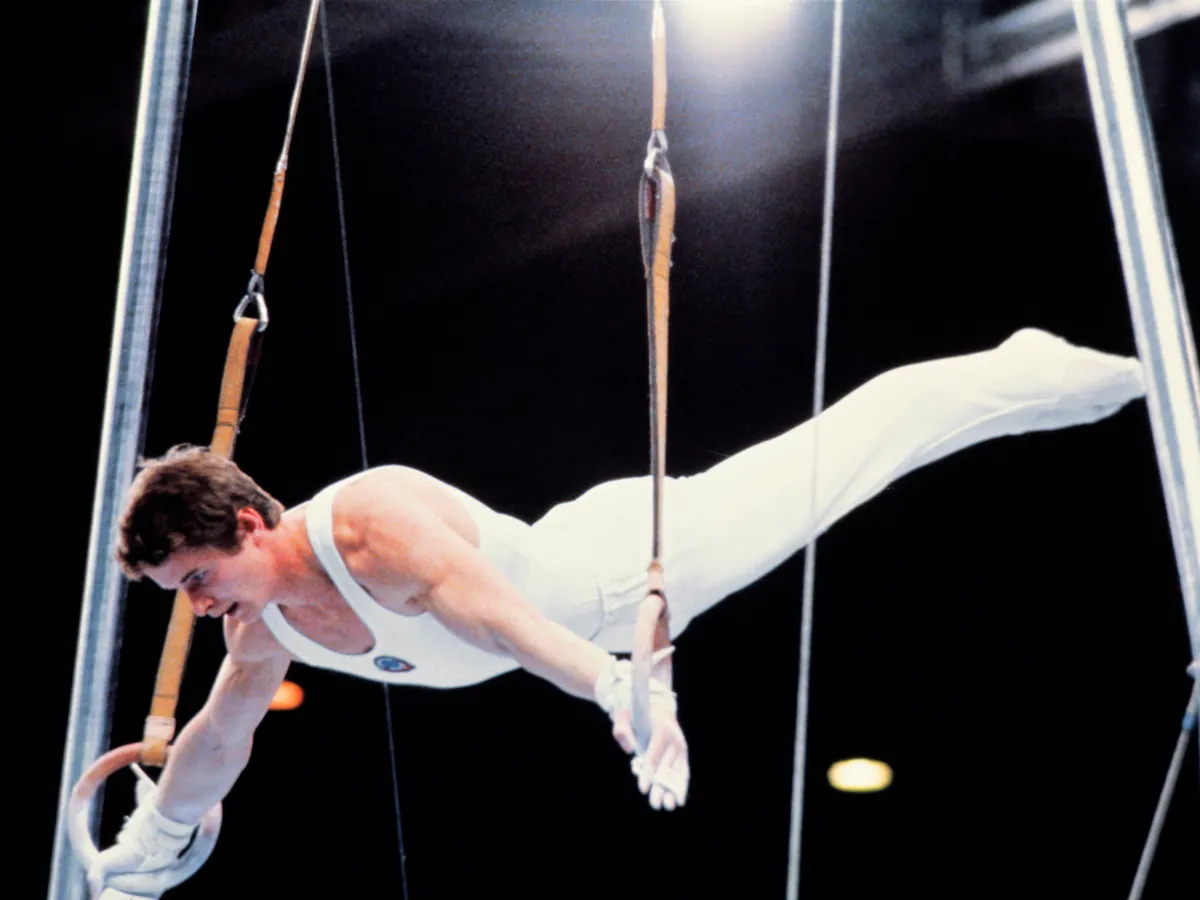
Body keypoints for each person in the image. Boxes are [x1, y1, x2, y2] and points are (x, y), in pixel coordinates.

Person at [87, 327, 1145, 895]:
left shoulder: (365, 526)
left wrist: (618, 690)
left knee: (852, 451)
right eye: (183, 594)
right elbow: (219, 736)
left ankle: (1050, 371)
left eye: (193, 576)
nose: (198, 604)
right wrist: (155, 834)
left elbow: (496, 619)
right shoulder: (258, 628)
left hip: (626, 560)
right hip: (579, 629)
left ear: (245, 522)